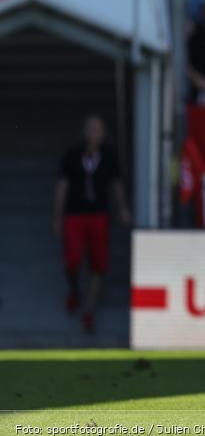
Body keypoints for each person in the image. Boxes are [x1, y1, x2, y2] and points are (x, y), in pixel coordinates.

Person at [54, 116, 131, 333]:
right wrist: (57, 216)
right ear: (83, 131)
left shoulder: (109, 156)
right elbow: (62, 186)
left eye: (97, 129)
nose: (93, 133)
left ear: (104, 133)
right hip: (75, 214)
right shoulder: (72, 155)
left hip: (98, 215)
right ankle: (74, 289)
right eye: (90, 128)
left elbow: (116, 184)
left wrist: (123, 207)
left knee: (98, 265)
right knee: (73, 260)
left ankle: (88, 311)